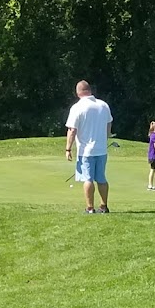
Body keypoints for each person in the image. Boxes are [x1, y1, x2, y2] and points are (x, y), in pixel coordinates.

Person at [65, 80, 113, 213]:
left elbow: (72, 130)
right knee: (101, 178)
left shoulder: (77, 107)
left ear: (77, 92)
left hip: (86, 150)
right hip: (102, 149)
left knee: (88, 179)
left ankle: (90, 208)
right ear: (90, 90)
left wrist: (68, 148)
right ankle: (104, 206)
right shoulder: (103, 105)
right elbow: (109, 124)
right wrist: (105, 137)